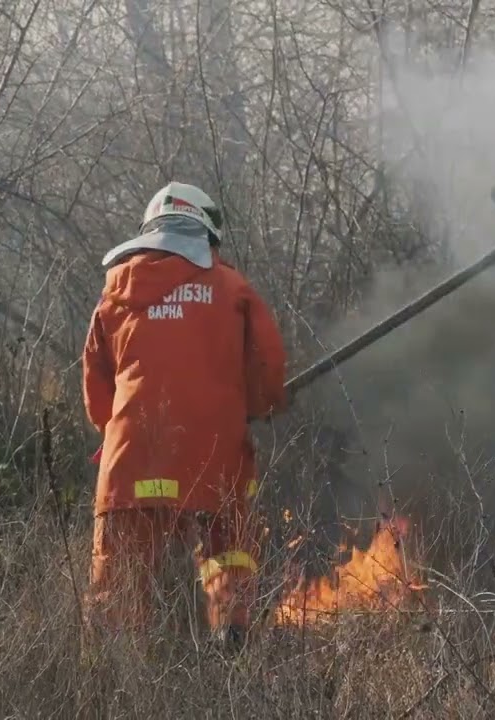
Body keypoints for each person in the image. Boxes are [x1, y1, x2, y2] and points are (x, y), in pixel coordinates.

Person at [81, 182, 288, 651]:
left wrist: (121, 436)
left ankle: (108, 678)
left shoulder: (114, 292)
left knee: (118, 587)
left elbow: (97, 393)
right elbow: (269, 370)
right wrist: (251, 409)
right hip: (215, 457)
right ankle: (230, 642)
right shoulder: (233, 288)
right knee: (228, 551)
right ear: (206, 237)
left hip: (133, 461)